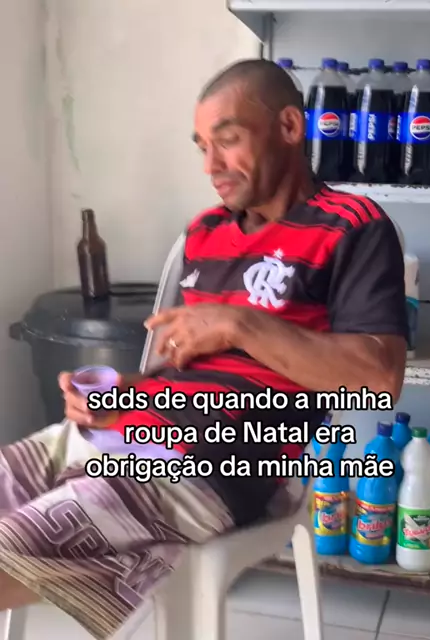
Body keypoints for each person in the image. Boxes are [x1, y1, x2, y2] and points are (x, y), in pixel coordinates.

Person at [0, 59, 407, 639]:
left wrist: (240, 324)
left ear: (289, 127)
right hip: (128, 432)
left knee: (10, 549)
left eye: (228, 140)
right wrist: (123, 396)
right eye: (202, 147)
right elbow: (189, 364)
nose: (211, 166)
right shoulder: (205, 232)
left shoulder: (353, 226)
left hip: (225, 461)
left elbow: (378, 380)